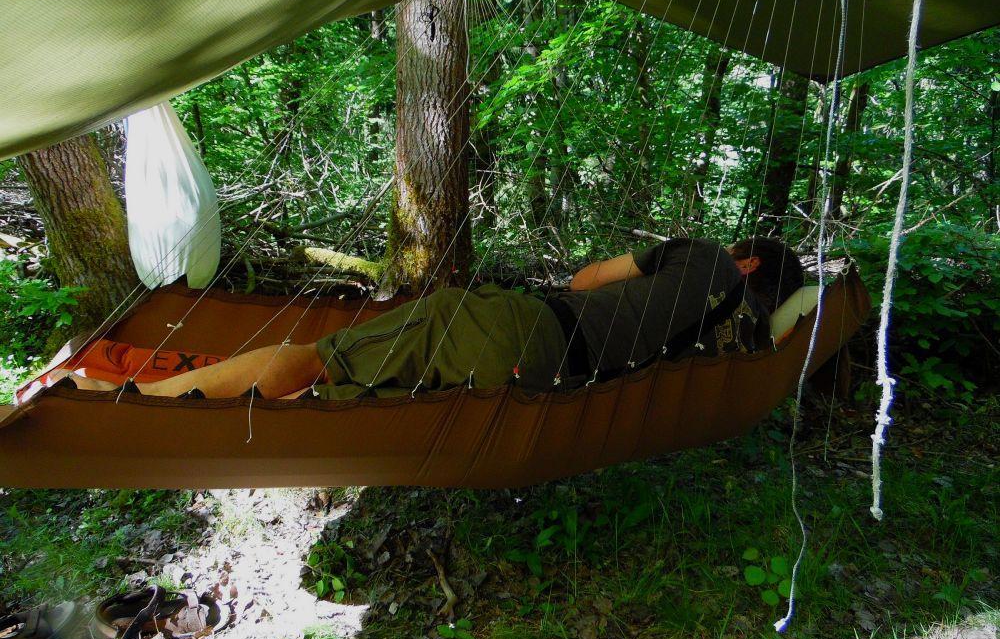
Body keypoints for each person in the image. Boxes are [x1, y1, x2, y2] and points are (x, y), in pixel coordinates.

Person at [46, 237, 803, 401]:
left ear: (744, 261)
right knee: (360, 384)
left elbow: (583, 279)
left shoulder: (702, 255)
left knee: (321, 355)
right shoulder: (735, 339)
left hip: (520, 329)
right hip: (552, 381)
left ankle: (138, 400)